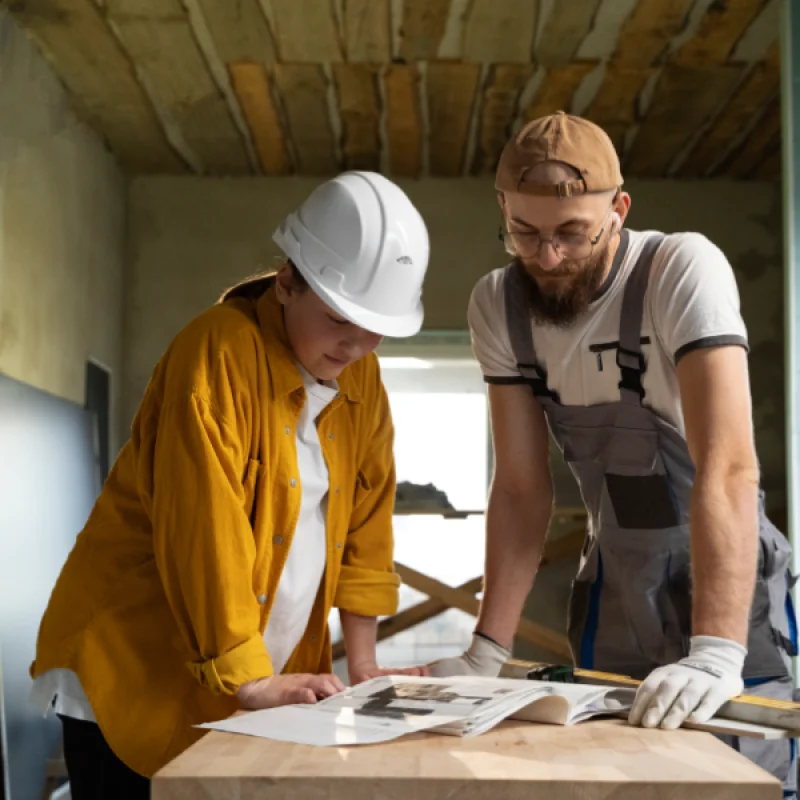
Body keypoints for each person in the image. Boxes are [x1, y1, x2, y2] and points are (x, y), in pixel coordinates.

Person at [428, 112, 798, 794]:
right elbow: (519, 488)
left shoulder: (679, 269)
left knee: (742, 775)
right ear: (503, 209)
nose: (547, 258)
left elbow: (729, 466)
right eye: (524, 233)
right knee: (610, 774)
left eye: (572, 233)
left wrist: (717, 654)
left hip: (722, 577)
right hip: (616, 583)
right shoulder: (498, 305)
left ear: (618, 210)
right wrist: (486, 653)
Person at [29, 171, 431, 797]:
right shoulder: (215, 353)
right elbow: (202, 530)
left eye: (377, 328)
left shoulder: (362, 380)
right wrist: (248, 680)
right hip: (136, 662)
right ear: (287, 282)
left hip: (250, 673)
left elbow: (366, 525)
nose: (357, 345)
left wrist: (365, 660)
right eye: (339, 320)